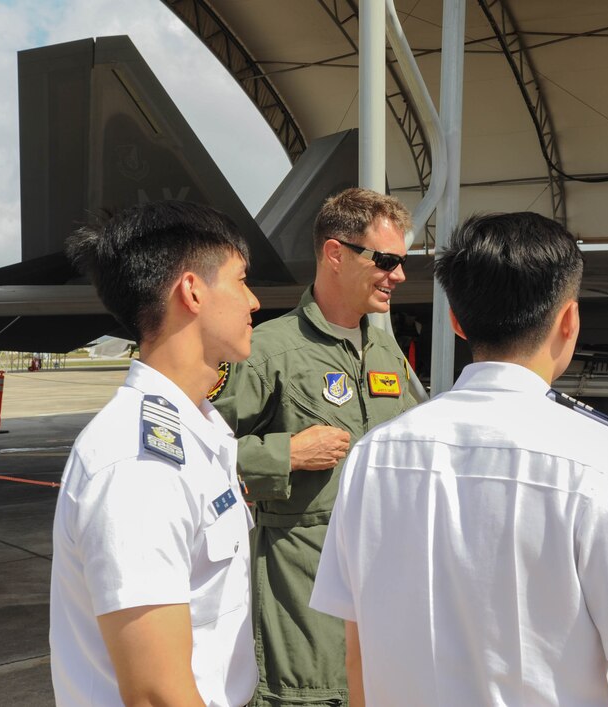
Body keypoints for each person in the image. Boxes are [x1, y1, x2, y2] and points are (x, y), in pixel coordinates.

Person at [309, 212, 608, 706]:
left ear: (456, 321)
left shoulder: (372, 455)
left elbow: (358, 656)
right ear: (569, 320)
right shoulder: (600, 459)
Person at [211, 187, 419, 706]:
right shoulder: (267, 351)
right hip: (301, 603)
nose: (399, 275)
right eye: (386, 261)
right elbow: (196, 456)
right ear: (335, 254)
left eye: (402, 262)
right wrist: (287, 455)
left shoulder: (386, 351)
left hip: (382, 595)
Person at [49, 201, 260, 706]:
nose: (254, 301)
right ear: (192, 291)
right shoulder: (139, 465)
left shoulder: (195, 431)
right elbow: (156, 693)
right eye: (241, 280)